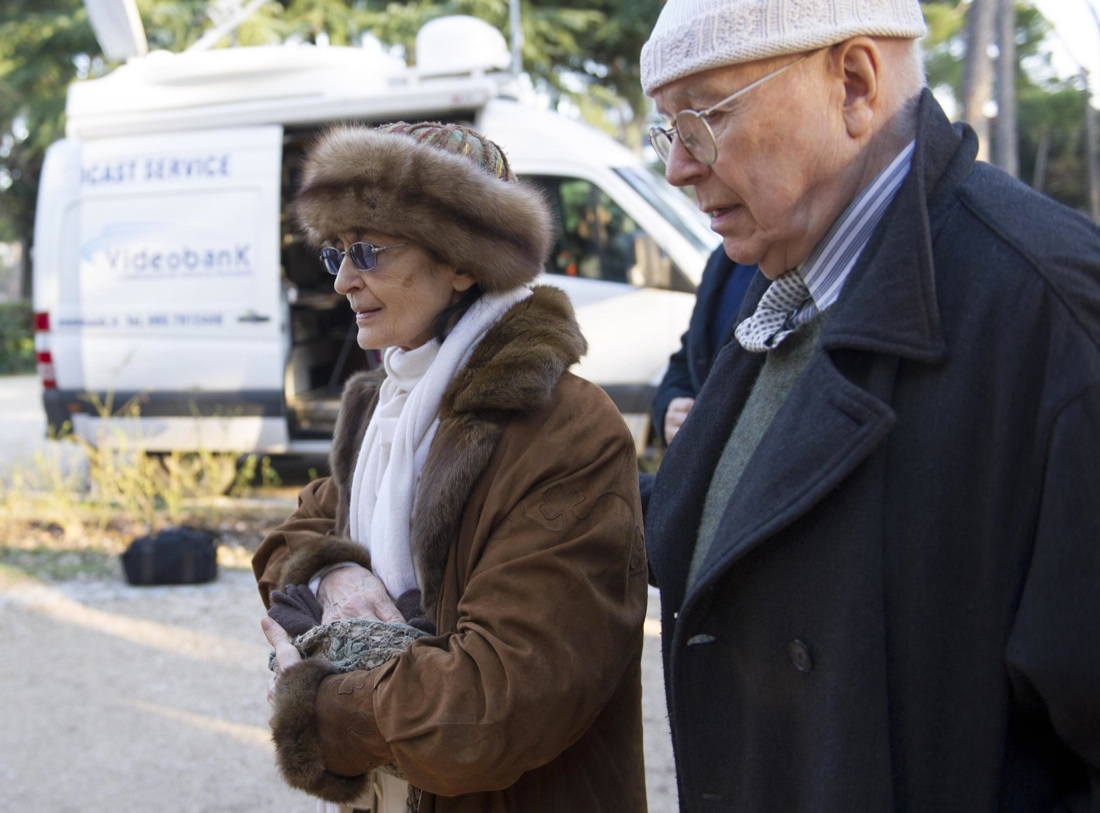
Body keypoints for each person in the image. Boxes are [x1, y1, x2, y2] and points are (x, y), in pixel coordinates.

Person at [638, 1, 1100, 811]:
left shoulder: (1049, 309)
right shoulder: (786, 287)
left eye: (703, 117)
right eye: (667, 129)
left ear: (853, 82)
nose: (678, 166)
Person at [252, 121, 648, 813]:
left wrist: (322, 707)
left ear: (464, 263)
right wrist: (337, 571)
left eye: (368, 251)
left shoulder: (564, 427)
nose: (343, 280)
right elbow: (295, 535)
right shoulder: (382, 402)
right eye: (336, 252)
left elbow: (497, 704)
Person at [651, 244, 757, 446]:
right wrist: (670, 406)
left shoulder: (797, 269)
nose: (705, 210)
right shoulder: (723, 257)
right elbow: (688, 356)